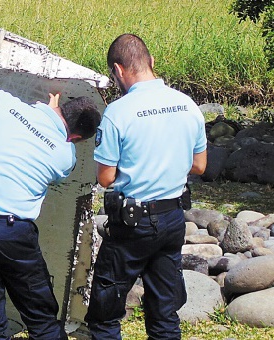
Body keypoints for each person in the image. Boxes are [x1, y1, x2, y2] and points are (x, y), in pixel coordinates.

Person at [0, 37, 102, 339]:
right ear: (77, 138)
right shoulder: (64, 154)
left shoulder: (1, 104)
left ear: (60, 106)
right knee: (42, 319)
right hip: (12, 233)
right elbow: (57, 155)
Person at [84, 34, 207, 340]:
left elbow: (105, 178)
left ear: (118, 70)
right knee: (164, 312)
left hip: (132, 225)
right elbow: (200, 166)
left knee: (105, 314)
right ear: (152, 62)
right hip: (173, 218)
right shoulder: (187, 105)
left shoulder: (118, 112)